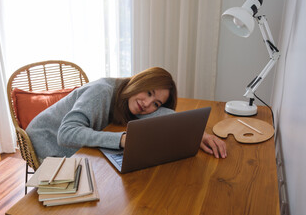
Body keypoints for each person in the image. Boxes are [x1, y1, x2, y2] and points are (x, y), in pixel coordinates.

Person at [26, 67, 227, 163]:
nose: (147, 104)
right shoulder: (102, 92)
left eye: (155, 103)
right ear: (139, 81)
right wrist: (121, 139)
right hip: (47, 142)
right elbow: (66, 133)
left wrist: (194, 133)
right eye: (148, 93)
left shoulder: (127, 98)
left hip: (73, 143)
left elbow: (159, 114)